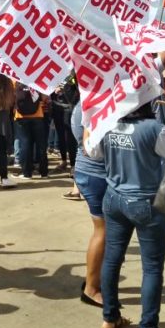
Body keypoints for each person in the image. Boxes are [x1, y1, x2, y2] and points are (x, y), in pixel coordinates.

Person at [98, 98, 165, 328]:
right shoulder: (151, 128)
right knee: (152, 267)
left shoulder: (108, 122)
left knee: (112, 258)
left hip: (113, 197)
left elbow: (93, 151)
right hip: (144, 202)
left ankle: (110, 316)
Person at [69, 99, 106, 310]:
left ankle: (96, 281)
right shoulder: (95, 104)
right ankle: (91, 288)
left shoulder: (82, 104)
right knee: (103, 231)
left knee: (104, 230)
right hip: (96, 173)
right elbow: (90, 146)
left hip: (87, 171)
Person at [12, 82, 48, 178]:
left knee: (25, 144)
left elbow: (12, 96)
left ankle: (26, 173)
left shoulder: (16, 80)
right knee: (41, 145)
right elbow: (44, 98)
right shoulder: (36, 79)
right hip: (38, 115)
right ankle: (44, 172)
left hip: (21, 116)